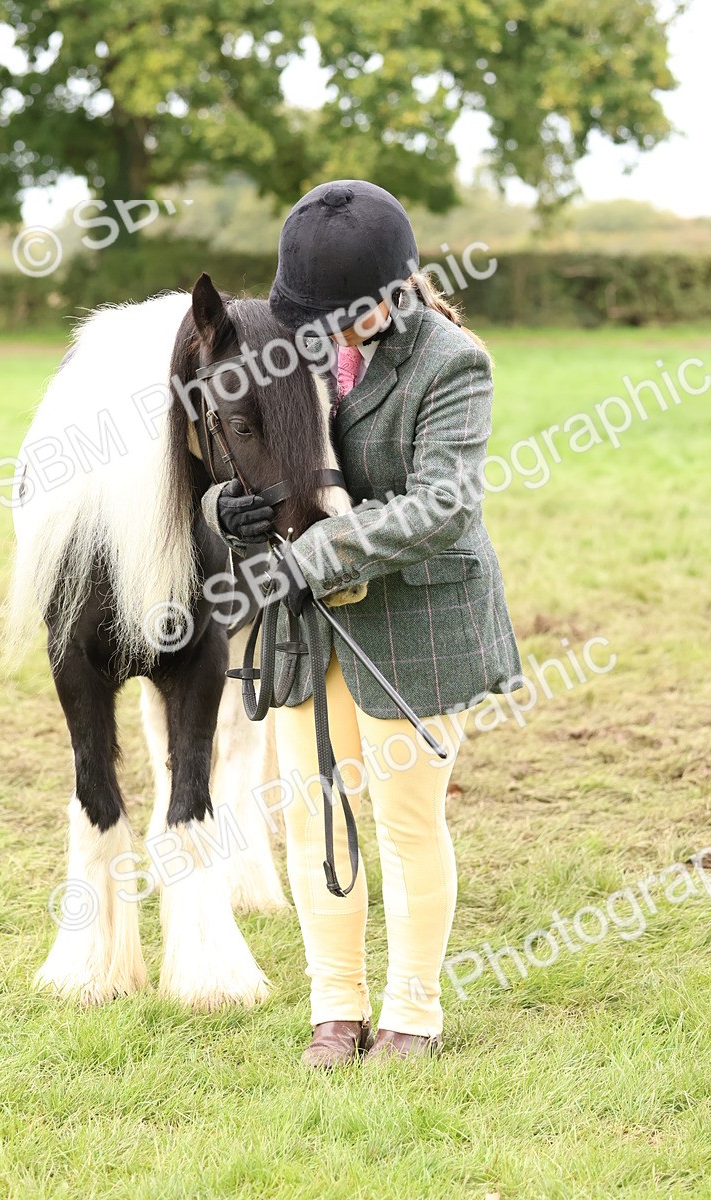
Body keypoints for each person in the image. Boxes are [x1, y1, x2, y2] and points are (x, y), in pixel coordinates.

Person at [201, 179, 522, 1068]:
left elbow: (442, 508)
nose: (321, 338)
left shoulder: (451, 362)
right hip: (310, 633)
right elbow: (244, 448)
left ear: (394, 292)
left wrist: (309, 555)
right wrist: (228, 510)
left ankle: (413, 1012)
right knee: (312, 816)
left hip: (417, 616)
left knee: (406, 822)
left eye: (339, 318)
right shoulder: (287, 350)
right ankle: (335, 1009)